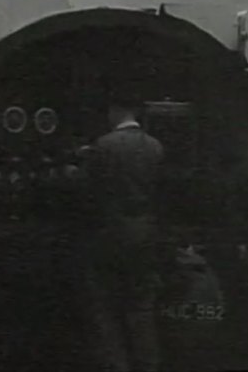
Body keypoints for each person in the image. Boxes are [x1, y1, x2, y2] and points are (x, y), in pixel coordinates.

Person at [79, 90, 164, 372]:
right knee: (141, 307)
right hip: (145, 232)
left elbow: (89, 192)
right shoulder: (155, 146)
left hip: (110, 234)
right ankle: (147, 365)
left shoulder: (103, 146)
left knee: (106, 307)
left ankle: (116, 365)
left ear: (114, 111)